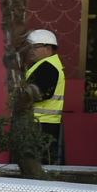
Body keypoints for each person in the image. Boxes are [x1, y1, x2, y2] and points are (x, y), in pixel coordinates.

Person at [24, 28, 65, 164]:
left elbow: (38, 93)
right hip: (43, 122)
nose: (30, 50)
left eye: (34, 47)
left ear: (48, 48)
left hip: (41, 123)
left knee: (35, 163)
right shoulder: (45, 65)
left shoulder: (48, 67)